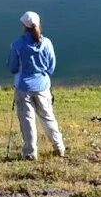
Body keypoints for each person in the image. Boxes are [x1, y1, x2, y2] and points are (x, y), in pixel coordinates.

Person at [6, 10, 66, 160]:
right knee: (48, 117)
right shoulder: (46, 43)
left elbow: (12, 67)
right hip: (43, 86)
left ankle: (30, 153)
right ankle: (59, 147)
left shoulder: (17, 45)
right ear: (39, 24)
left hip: (23, 88)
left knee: (27, 120)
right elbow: (51, 67)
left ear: (23, 26)